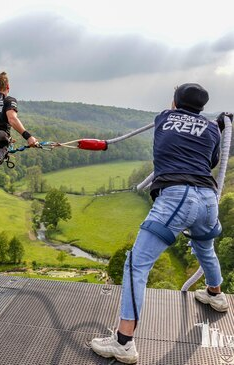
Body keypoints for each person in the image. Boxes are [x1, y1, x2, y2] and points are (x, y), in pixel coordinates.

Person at [91, 83, 232, 364]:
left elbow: (172, 132)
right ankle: (216, 294)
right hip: (208, 199)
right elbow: (213, 159)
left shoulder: (164, 118)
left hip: (177, 197)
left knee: (136, 265)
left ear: (175, 101)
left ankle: (124, 342)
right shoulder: (213, 129)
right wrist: (218, 124)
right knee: (205, 249)